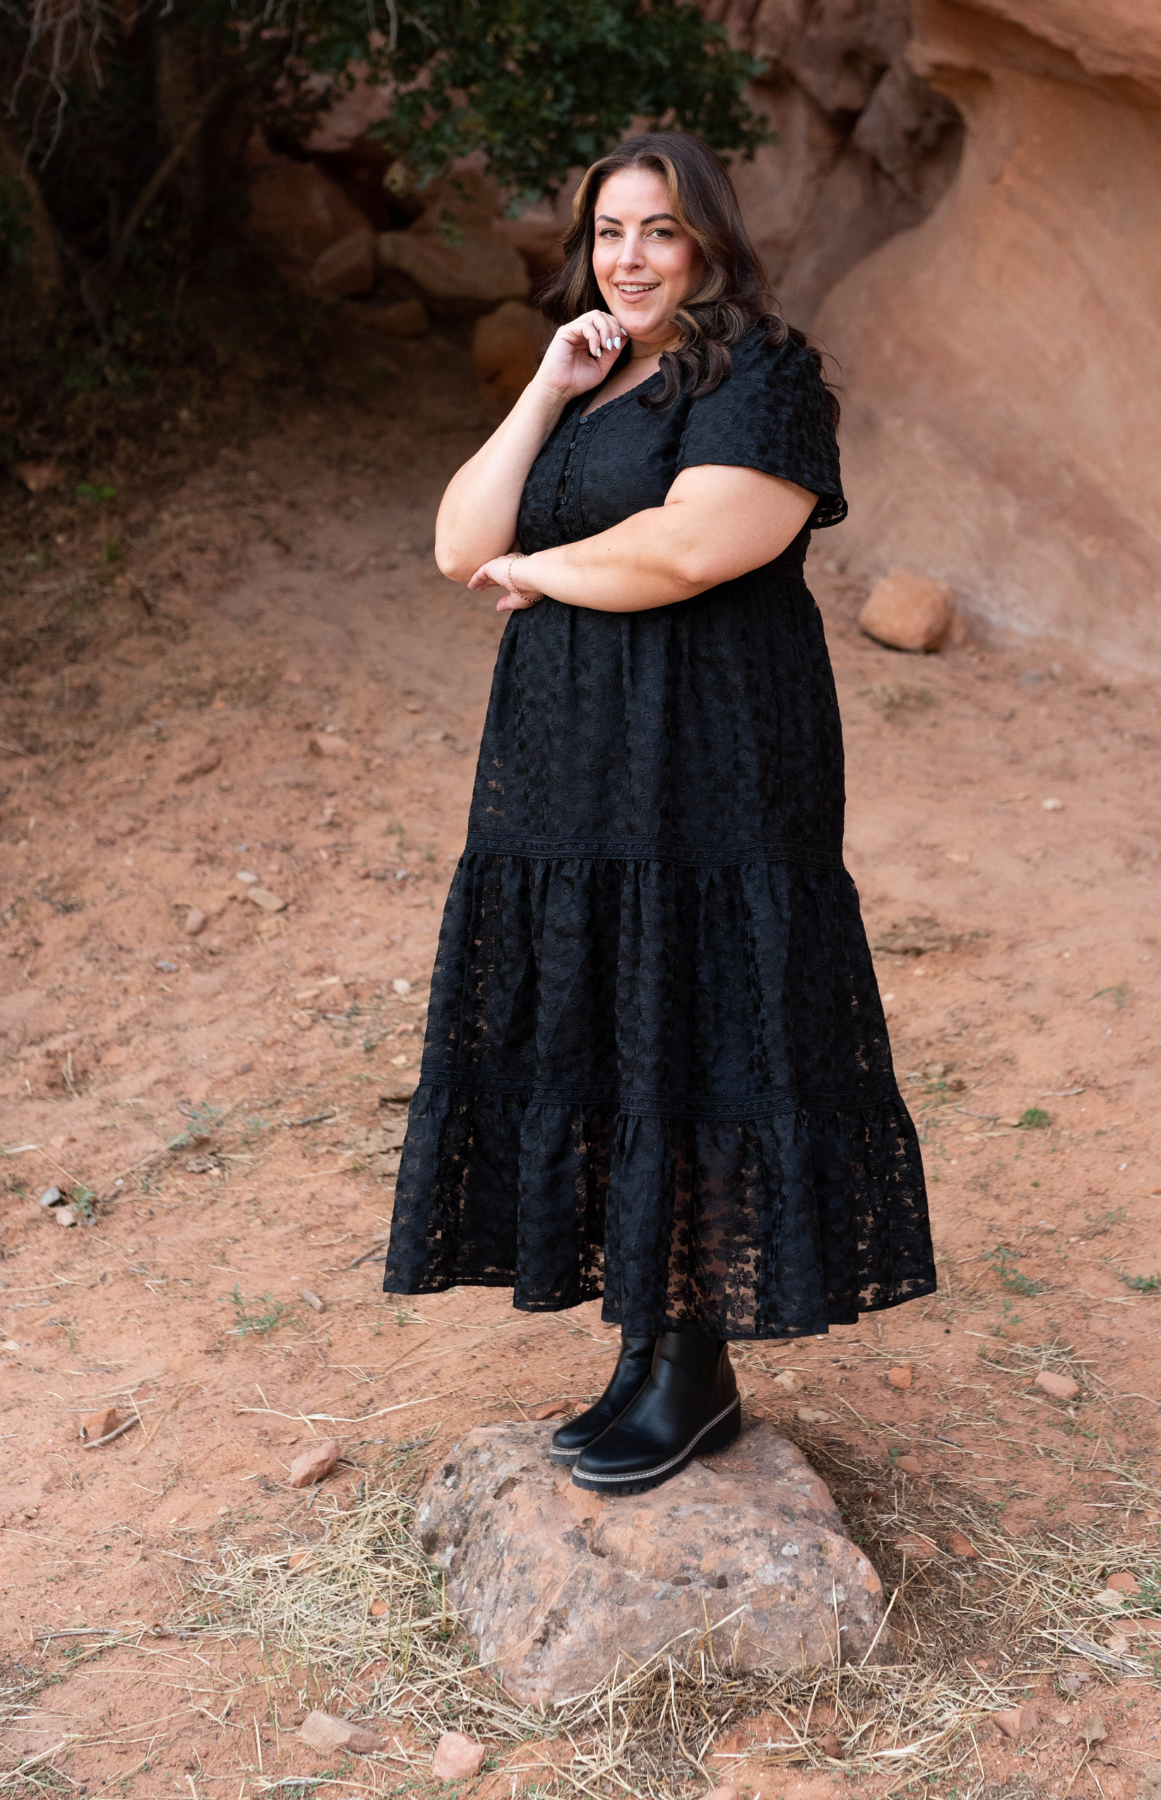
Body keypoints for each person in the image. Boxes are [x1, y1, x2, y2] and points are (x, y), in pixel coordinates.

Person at [384, 131, 935, 1496]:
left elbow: (700, 545)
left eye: (660, 231)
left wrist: (540, 569)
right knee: (610, 1025)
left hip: (712, 752)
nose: (629, 257)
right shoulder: (594, 381)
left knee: (691, 1017)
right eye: (610, 231)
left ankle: (694, 1367)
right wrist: (541, 385)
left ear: (709, 242)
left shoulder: (761, 370)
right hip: (569, 755)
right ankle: (646, 1345)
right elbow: (460, 545)